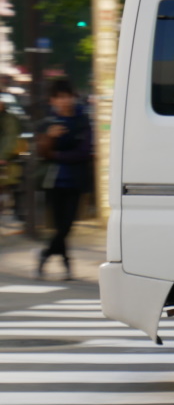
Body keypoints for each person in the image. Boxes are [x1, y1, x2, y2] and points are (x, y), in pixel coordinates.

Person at [35, 80, 93, 280]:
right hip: (53, 182)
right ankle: (66, 263)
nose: (64, 101)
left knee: (67, 226)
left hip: (76, 181)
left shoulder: (82, 120)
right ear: (53, 100)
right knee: (60, 227)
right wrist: (49, 138)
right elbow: (41, 153)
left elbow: (84, 152)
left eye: (67, 96)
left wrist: (56, 155)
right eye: (59, 97)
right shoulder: (47, 123)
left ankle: (46, 253)